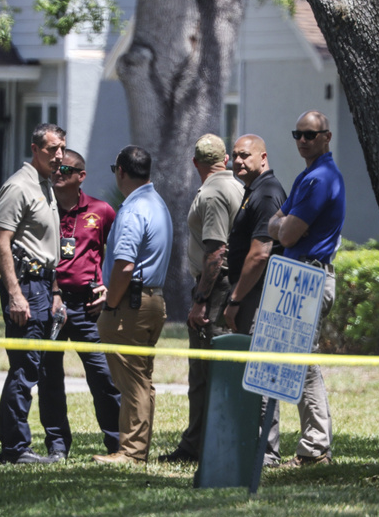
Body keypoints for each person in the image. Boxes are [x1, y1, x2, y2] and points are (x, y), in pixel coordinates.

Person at [159, 134, 244, 464]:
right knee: (221, 369)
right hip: (230, 286)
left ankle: (198, 447)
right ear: (225, 159)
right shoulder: (237, 187)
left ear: (196, 164)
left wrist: (200, 299)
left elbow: (216, 251)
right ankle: (208, 441)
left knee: (204, 371)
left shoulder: (212, 193)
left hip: (216, 287)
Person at [268, 110, 346, 467]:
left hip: (309, 275)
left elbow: (283, 232)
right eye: (297, 134)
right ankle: (305, 446)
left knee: (303, 362)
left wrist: (283, 223)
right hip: (295, 273)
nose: (302, 141)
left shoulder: (322, 179)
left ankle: (316, 447)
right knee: (291, 361)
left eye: (310, 135)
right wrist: (282, 223)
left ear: (327, 137)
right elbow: (276, 224)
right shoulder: (307, 176)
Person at [38, 149, 121, 458]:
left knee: (103, 376)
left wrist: (110, 289)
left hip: (89, 307)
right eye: (55, 168)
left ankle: (116, 442)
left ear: (80, 176)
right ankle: (57, 446)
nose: (58, 173)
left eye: (66, 169)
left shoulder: (101, 211)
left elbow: (120, 253)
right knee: (49, 379)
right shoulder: (42, 210)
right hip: (51, 306)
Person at [0, 123, 65, 465]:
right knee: (24, 367)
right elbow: (0, 241)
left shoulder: (45, 186)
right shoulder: (19, 186)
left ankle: (15, 443)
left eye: (62, 149)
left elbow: (46, 249)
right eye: (52, 150)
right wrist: (16, 294)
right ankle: (15, 447)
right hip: (25, 287)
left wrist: (54, 292)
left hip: (42, 286)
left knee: (31, 366)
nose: (59, 156)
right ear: (35, 149)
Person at [94, 146, 173, 466]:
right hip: (152, 300)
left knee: (133, 383)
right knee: (140, 380)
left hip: (131, 305)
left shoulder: (132, 209)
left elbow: (124, 265)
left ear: (121, 172)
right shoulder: (158, 204)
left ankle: (132, 452)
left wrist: (111, 303)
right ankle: (134, 446)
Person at [222, 134, 288, 466]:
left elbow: (260, 254)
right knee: (252, 371)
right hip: (251, 294)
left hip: (259, 296)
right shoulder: (254, 192)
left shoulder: (267, 193)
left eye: (245, 155)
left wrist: (235, 299)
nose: (238, 161)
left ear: (263, 157)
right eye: (234, 156)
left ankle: (266, 451)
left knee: (261, 372)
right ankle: (254, 443)